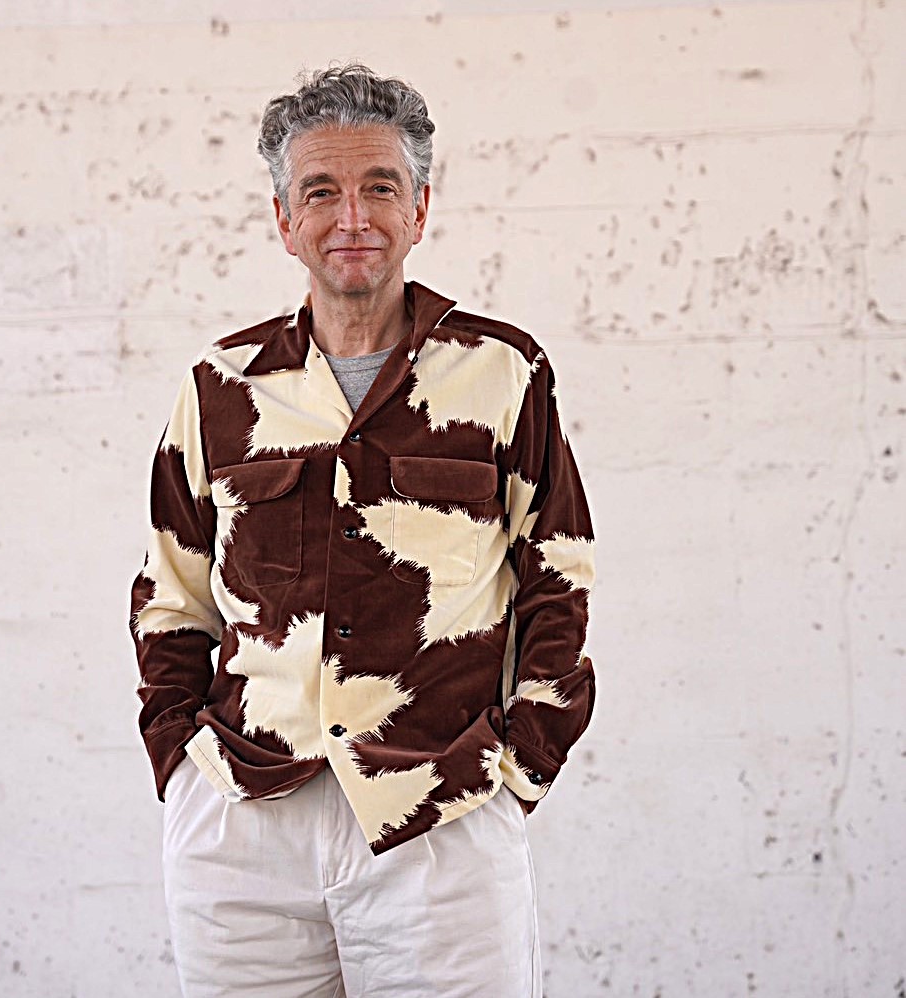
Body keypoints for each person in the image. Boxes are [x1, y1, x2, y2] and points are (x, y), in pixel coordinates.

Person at [129, 63, 596, 998]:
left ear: (419, 209)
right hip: (242, 820)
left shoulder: (501, 372)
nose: (352, 217)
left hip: (439, 813)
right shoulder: (220, 386)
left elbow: (558, 580)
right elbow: (170, 593)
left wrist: (518, 768)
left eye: (380, 187)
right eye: (320, 192)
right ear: (282, 218)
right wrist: (178, 761)